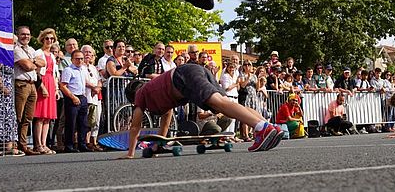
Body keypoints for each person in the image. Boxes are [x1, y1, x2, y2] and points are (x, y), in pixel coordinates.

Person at [118, 64, 284, 158]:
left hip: (183, 76)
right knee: (225, 104)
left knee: (219, 103)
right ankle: (270, 127)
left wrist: (130, 154)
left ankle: (262, 128)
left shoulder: (140, 94)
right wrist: (159, 143)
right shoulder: (154, 92)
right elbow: (167, 115)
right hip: (194, 71)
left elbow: (135, 126)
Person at [13, 26, 45, 156]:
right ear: (18, 35)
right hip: (21, 84)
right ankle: (15, 144)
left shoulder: (31, 50)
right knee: (18, 116)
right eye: (23, 34)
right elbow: (26, 67)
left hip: (32, 85)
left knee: (28, 117)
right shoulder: (16, 49)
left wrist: (32, 62)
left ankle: (23, 144)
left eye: (28, 34)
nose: (25, 36)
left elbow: (43, 63)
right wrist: (33, 62)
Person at [32, 29, 59, 154]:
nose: (49, 41)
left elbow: (54, 74)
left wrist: (56, 89)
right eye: (47, 38)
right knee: (40, 116)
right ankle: (38, 144)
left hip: (51, 83)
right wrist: (41, 86)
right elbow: (37, 72)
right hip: (42, 82)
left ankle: (44, 143)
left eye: (52, 39)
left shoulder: (52, 56)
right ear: (42, 39)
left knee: (48, 117)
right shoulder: (38, 53)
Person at [59, 50, 90, 153]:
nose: (79, 60)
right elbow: (63, 86)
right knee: (71, 123)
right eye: (77, 58)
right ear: (72, 59)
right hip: (72, 97)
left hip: (82, 97)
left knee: (83, 123)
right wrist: (73, 97)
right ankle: (69, 145)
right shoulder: (68, 70)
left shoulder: (83, 69)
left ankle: (82, 144)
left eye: (81, 58)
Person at [82, 45, 103, 151]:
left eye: (90, 52)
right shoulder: (80, 67)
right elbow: (83, 80)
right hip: (86, 96)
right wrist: (93, 87)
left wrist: (98, 87)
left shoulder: (93, 68)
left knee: (93, 120)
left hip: (94, 97)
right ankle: (85, 142)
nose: (87, 54)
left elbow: (99, 80)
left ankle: (92, 142)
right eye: (85, 52)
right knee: (85, 120)